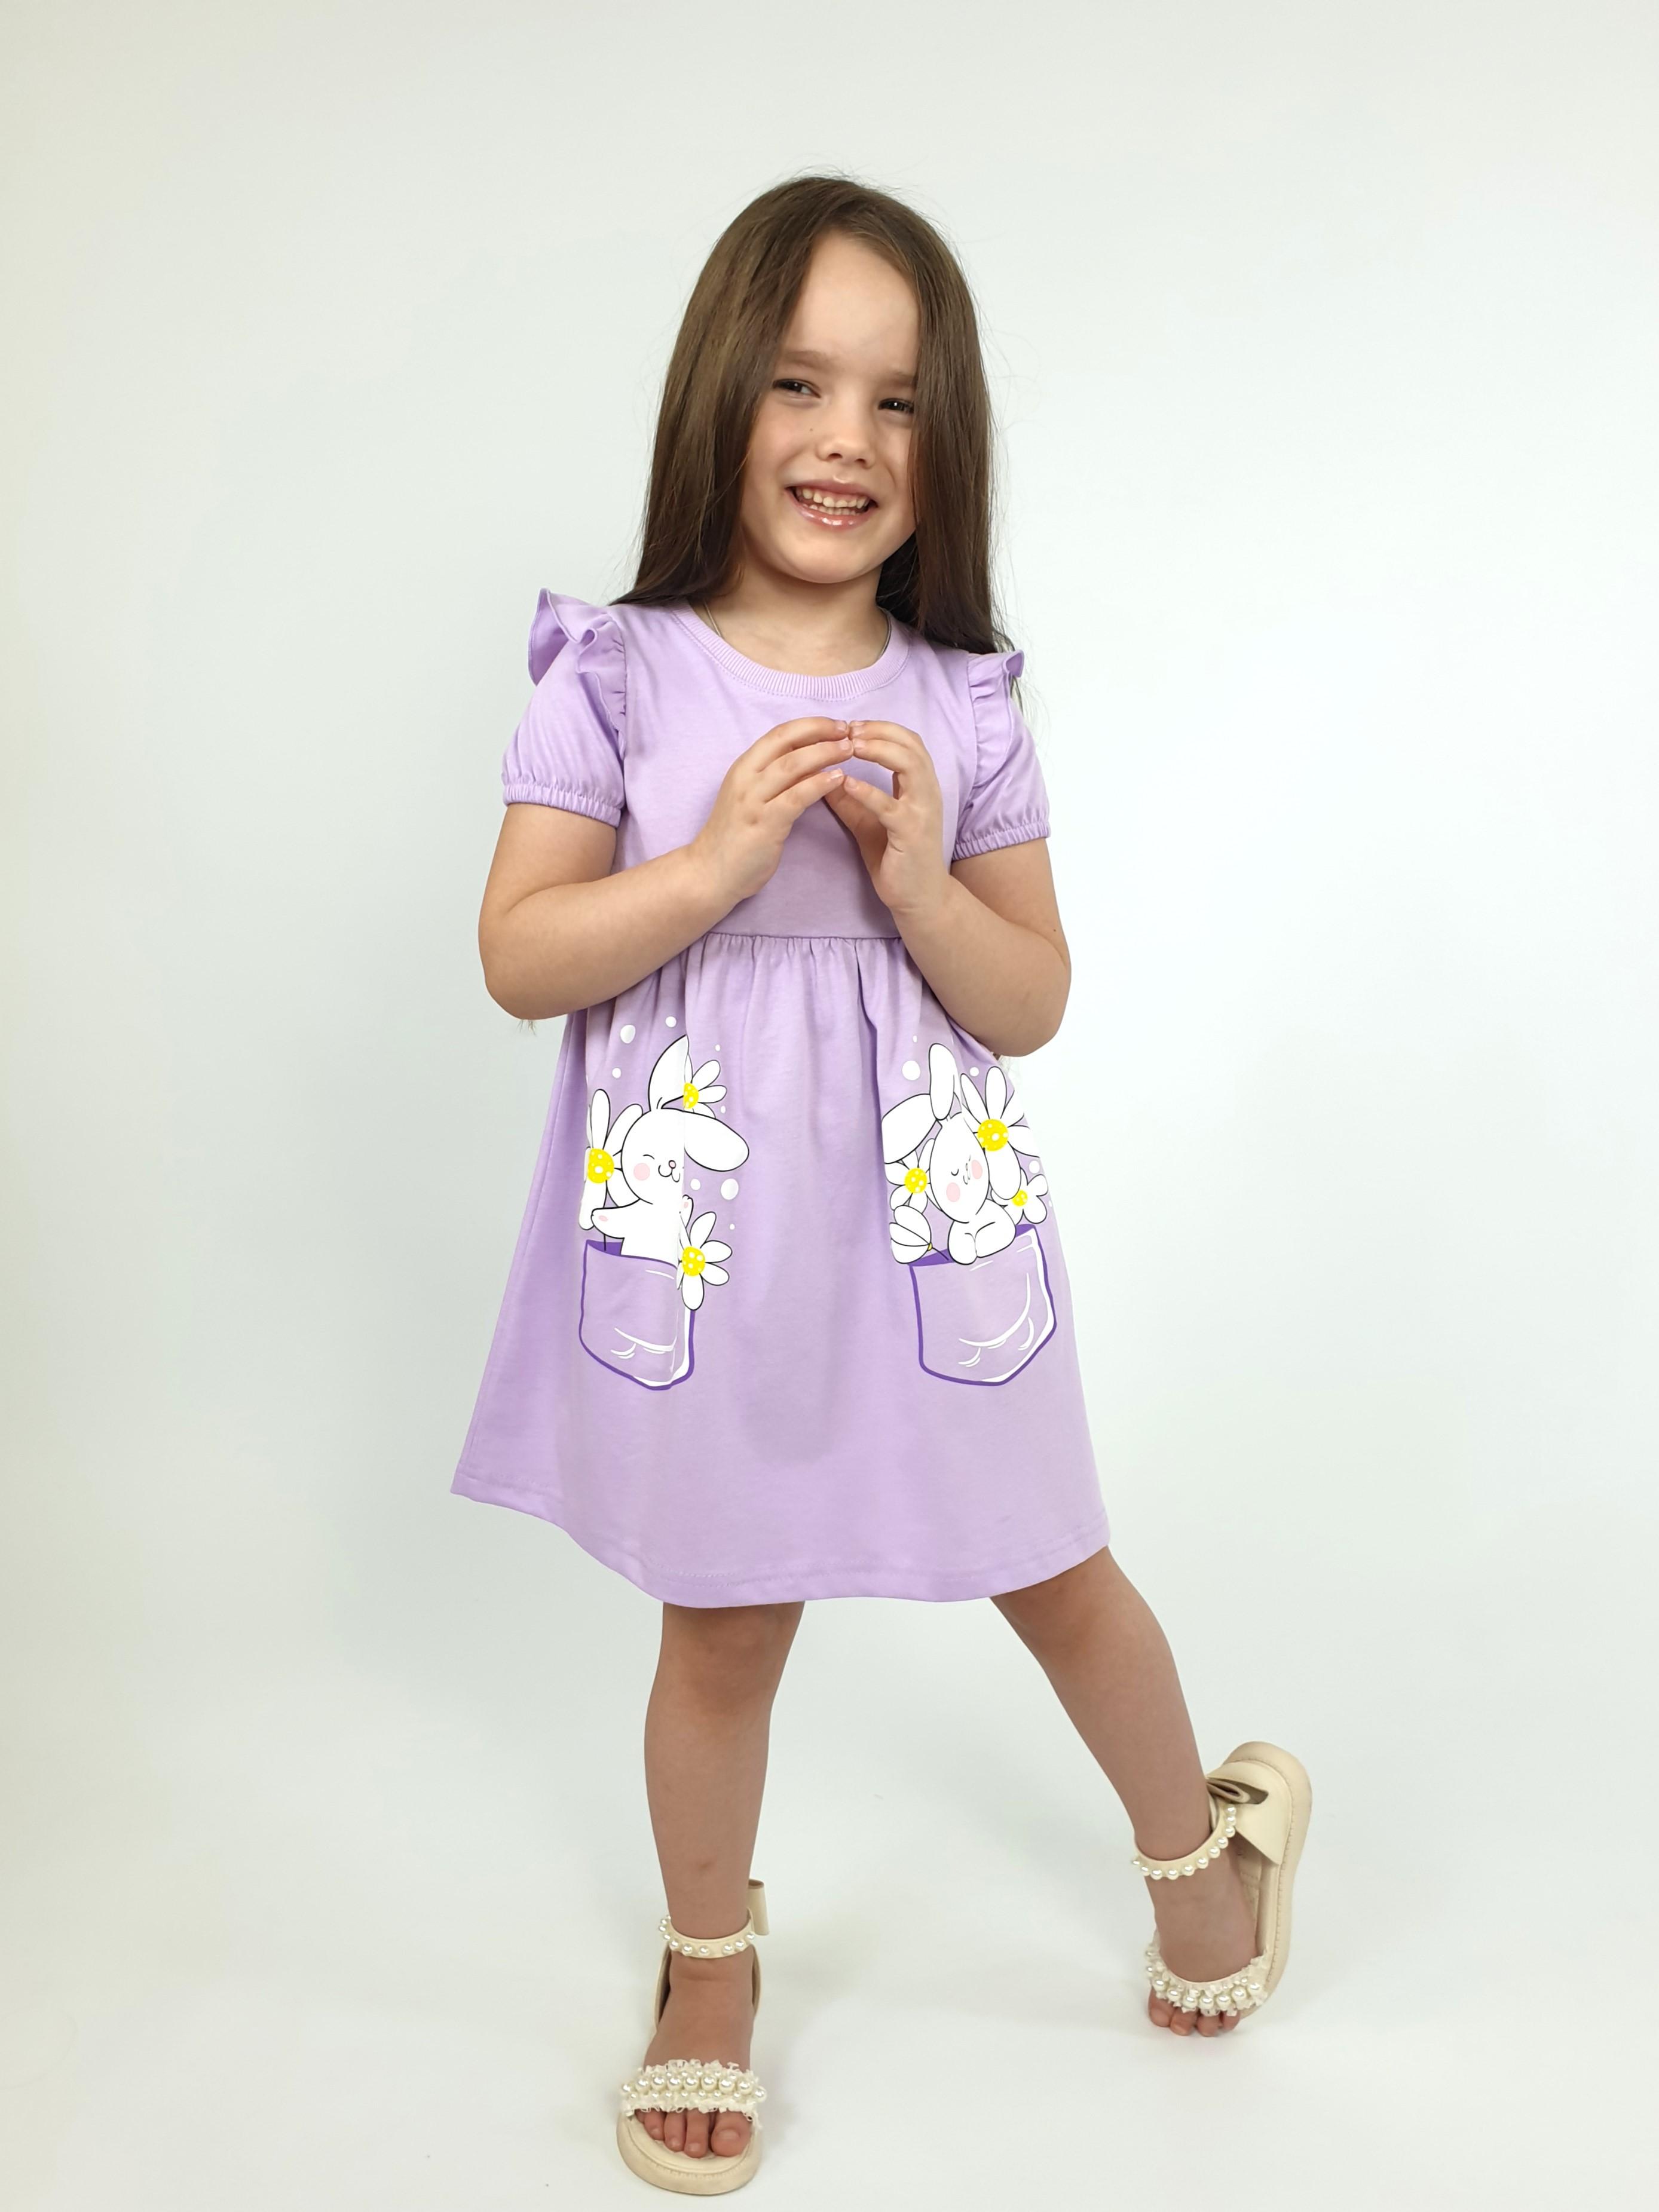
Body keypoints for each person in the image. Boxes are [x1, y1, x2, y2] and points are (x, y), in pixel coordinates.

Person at [452, 174, 1311, 2196]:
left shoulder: (962, 699)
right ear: (719, 399)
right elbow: (519, 956)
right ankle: (710, 1968)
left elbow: (1031, 1001)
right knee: (724, 1627)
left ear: (948, 440)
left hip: (936, 1245)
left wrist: (920, 882)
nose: (848, 437)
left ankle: (1202, 1863)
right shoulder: (620, 675)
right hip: (716, 1257)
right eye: (801, 383)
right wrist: (708, 872)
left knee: (1056, 1567)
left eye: (899, 401)